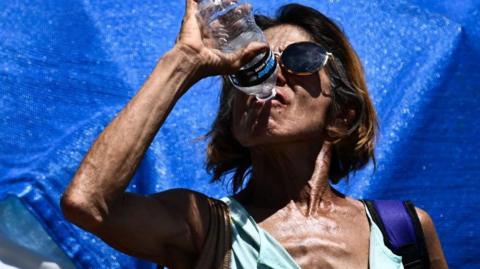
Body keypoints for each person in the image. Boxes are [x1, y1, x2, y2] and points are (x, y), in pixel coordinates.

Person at [60, 1, 448, 268]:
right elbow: (88, 204)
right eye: (252, 66)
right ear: (234, 118)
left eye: (300, 60)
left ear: (342, 115)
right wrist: (184, 61)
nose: (273, 75)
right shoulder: (206, 228)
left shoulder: (404, 231)